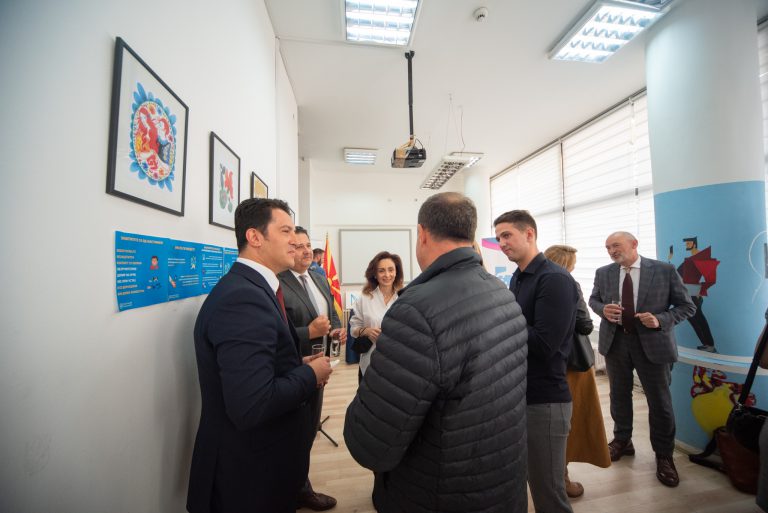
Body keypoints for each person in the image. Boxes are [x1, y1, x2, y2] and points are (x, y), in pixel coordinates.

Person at [344, 192, 529, 513]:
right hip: (502, 483)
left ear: (422, 234)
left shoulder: (415, 309)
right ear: (471, 234)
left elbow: (371, 442)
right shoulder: (501, 292)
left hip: (439, 491)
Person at [186, 198, 333, 513]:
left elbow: (260, 366)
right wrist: (310, 374)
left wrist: (297, 364)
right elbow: (252, 404)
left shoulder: (255, 287)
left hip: (260, 464)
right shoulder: (243, 298)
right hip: (247, 475)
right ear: (254, 237)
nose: (296, 240)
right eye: (285, 231)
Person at [589, 231, 695, 488]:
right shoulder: (604, 272)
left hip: (653, 344)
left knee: (660, 402)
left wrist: (660, 319)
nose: (611, 251)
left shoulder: (664, 270)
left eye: (616, 245)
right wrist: (603, 309)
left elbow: (687, 306)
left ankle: (664, 455)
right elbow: (594, 300)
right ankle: (622, 440)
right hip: (615, 343)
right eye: (607, 247)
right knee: (619, 395)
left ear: (634, 244)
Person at [494, 210, 578, 513]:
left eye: (507, 235)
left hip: (545, 399)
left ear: (529, 233)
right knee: (532, 480)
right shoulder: (519, 276)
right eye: (498, 237)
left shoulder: (554, 279)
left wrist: (502, 318)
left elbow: (543, 345)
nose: (502, 243)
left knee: (549, 492)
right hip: (522, 393)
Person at [278, 226, 346, 511]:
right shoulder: (278, 283)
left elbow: (330, 315)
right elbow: (276, 335)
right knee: (293, 436)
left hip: (320, 368)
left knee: (307, 432)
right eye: (298, 246)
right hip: (293, 370)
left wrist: (337, 330)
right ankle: (295, 491)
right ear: (287, 249)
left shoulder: (318, 277)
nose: (306, 251)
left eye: (308, 245)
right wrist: (309, 332)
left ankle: (299, 487)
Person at [544, 245, 611, 499]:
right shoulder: (569, 285)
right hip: (571, 364)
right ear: (566, 264)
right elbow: (585, 324)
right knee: (571, 423)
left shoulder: (530, 283)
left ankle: (551, 476)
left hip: (541, 364)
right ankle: (561, 478)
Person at [348, 251, 404, 381]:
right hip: (370, 363)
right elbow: (353, 329)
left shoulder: (404, 297)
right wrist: (366, 331)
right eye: (381, 271)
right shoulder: (364, 298)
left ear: (396, 272)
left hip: (398, 363)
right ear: (374, 274)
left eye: (391, 270)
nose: (387, 275)